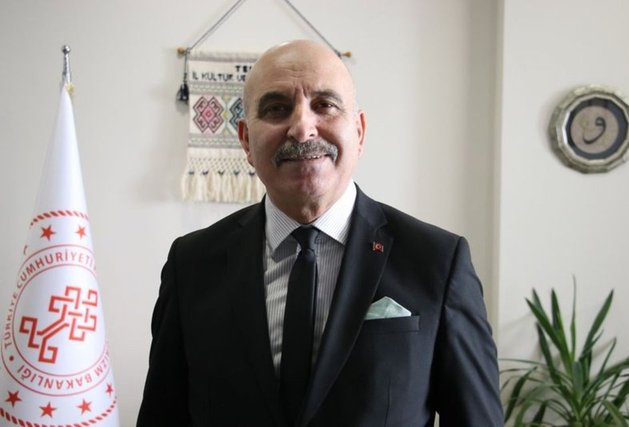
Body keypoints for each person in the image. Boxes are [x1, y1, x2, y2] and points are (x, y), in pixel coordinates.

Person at [137, 40, 503, 427]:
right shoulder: (191, 264)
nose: (301, 128)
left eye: (325, 105)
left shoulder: (438, 262)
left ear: (359, 131)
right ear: (245, 139)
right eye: (277, 109)